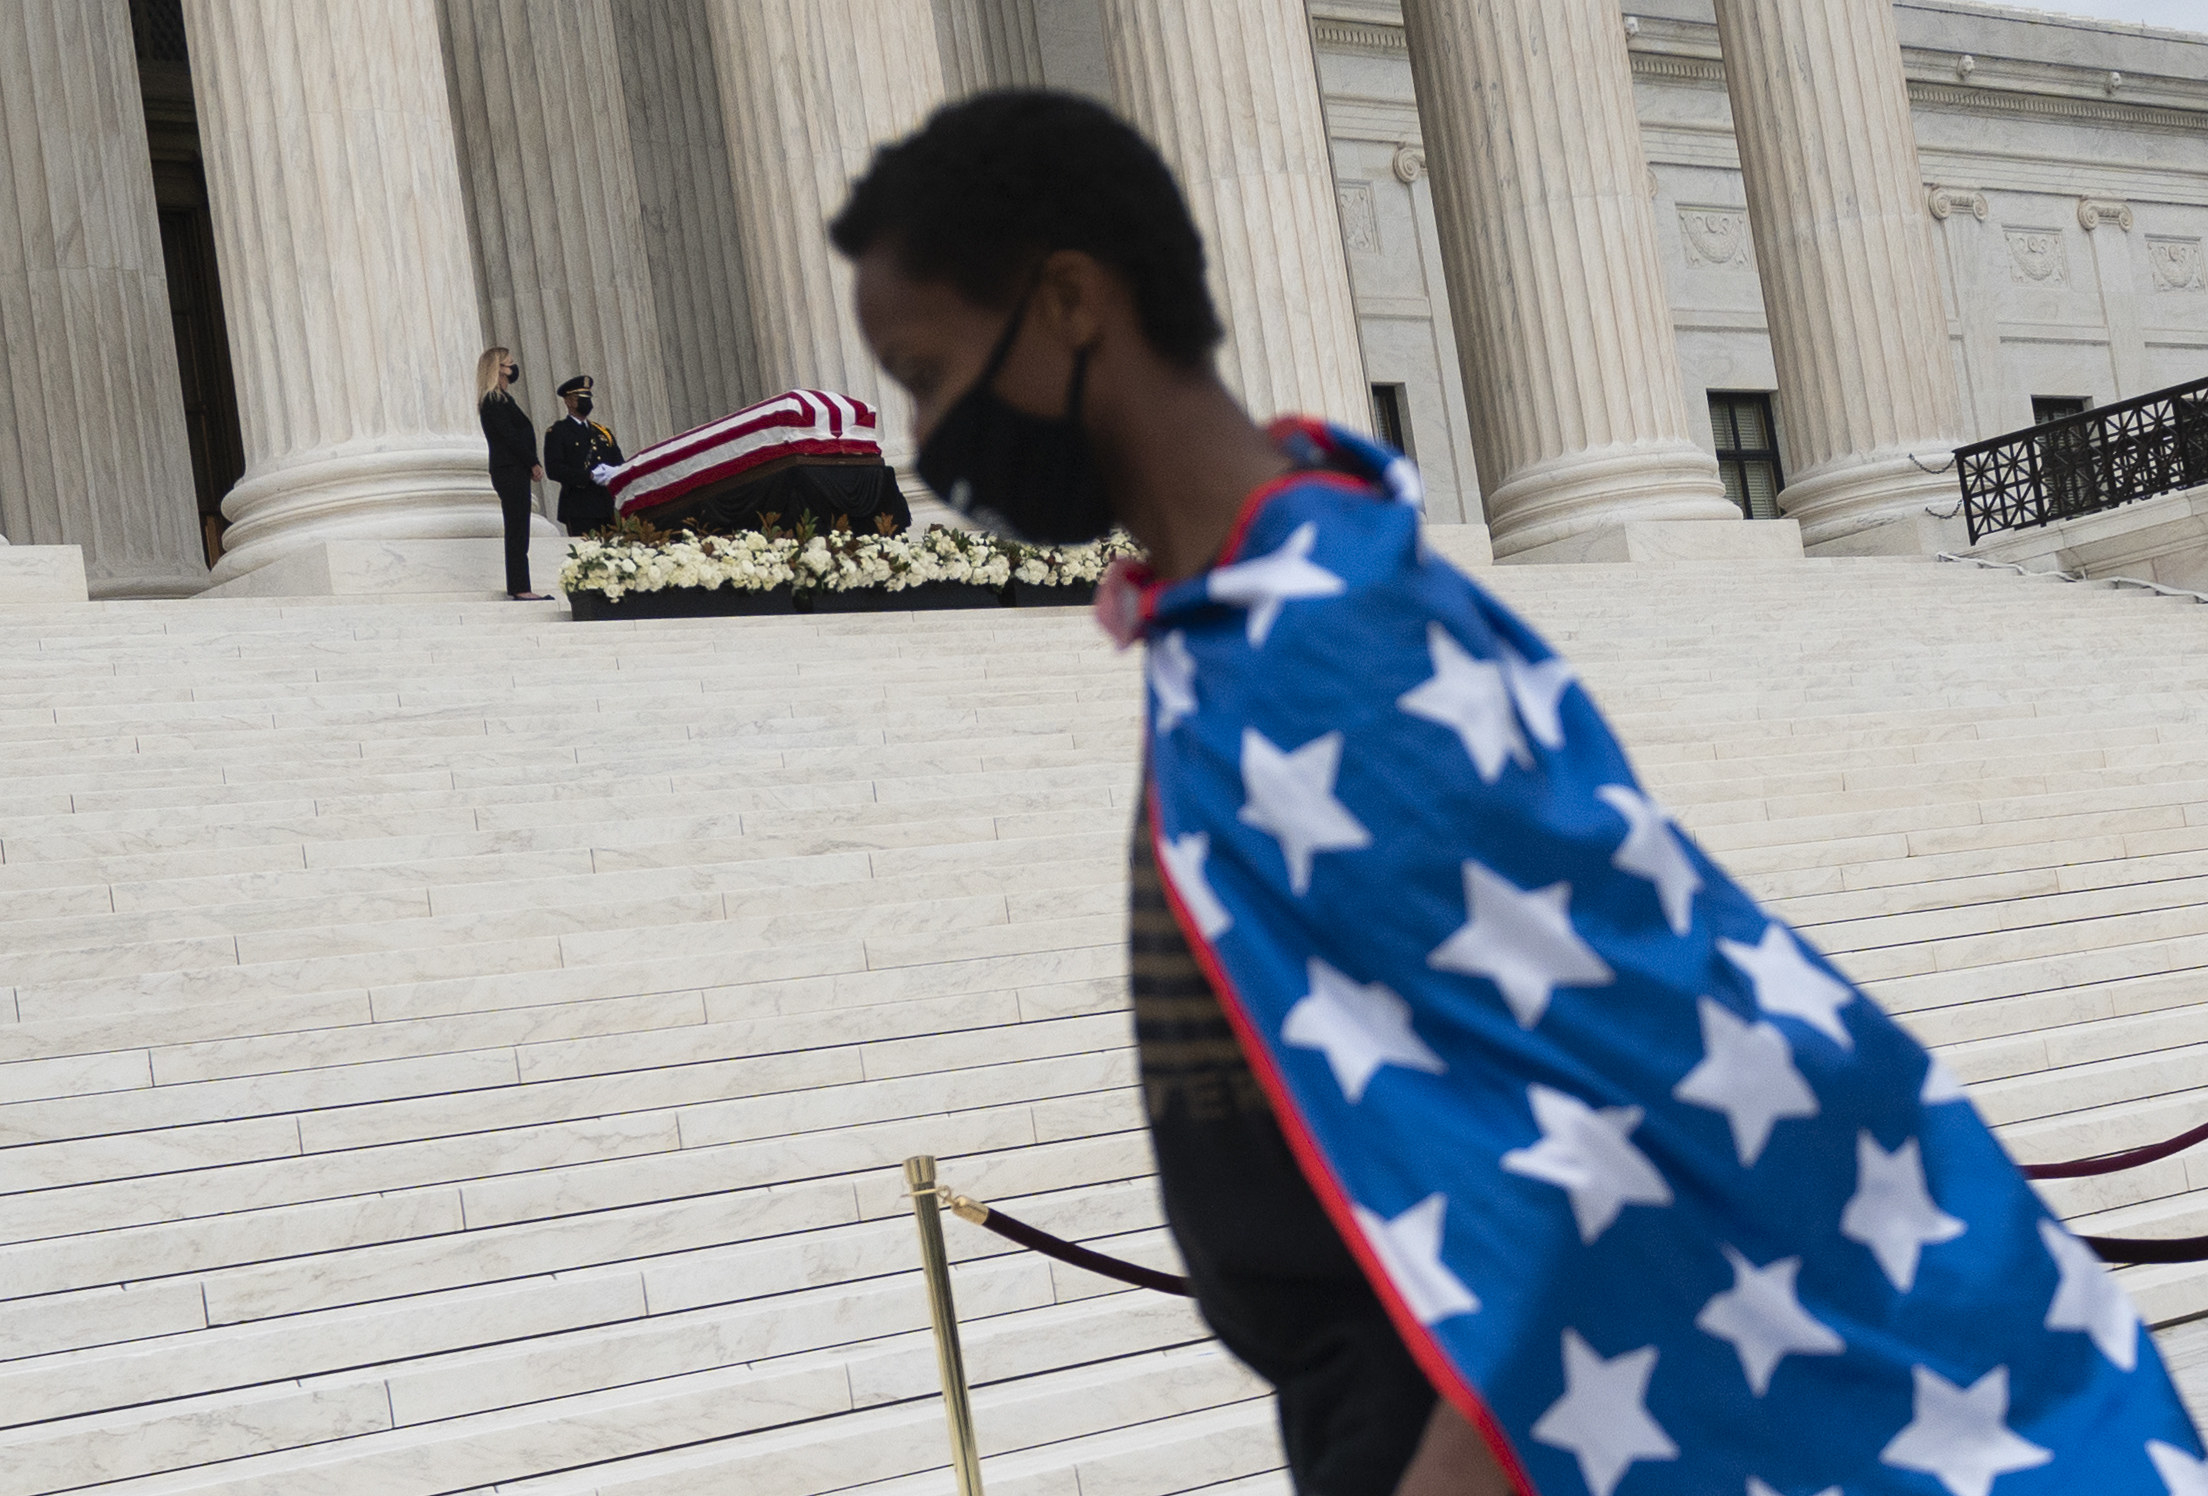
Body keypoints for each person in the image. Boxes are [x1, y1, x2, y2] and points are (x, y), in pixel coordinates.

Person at [831, 92, 2204, 1496]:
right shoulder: (1257, 621)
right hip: (1415, 1380)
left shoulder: (1329, 653)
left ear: (1068, 302)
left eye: (929, 371)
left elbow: (1627, 1137)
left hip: (1475, 1418)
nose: (925, 435)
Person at [475, 347, 550, 600]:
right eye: (509, 364)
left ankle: (520, 584)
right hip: (509, 469)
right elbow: (510, 437)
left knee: (520, 525)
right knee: (517, 527)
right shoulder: (493, 402)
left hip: (513, 469)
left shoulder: (504, 399)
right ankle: (520, 586)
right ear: (497, 370)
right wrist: (532, 462)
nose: (513, 367)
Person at [543, 374, 625, 534]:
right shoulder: (559, 431)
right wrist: (589, 476)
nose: (586, 402)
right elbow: (554, 469)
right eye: (580, 398)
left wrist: (613, 473)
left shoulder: (602, 432)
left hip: (606, 504)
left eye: (588, 397)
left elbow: (619, 461)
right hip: (579, 506)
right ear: (568, 401)